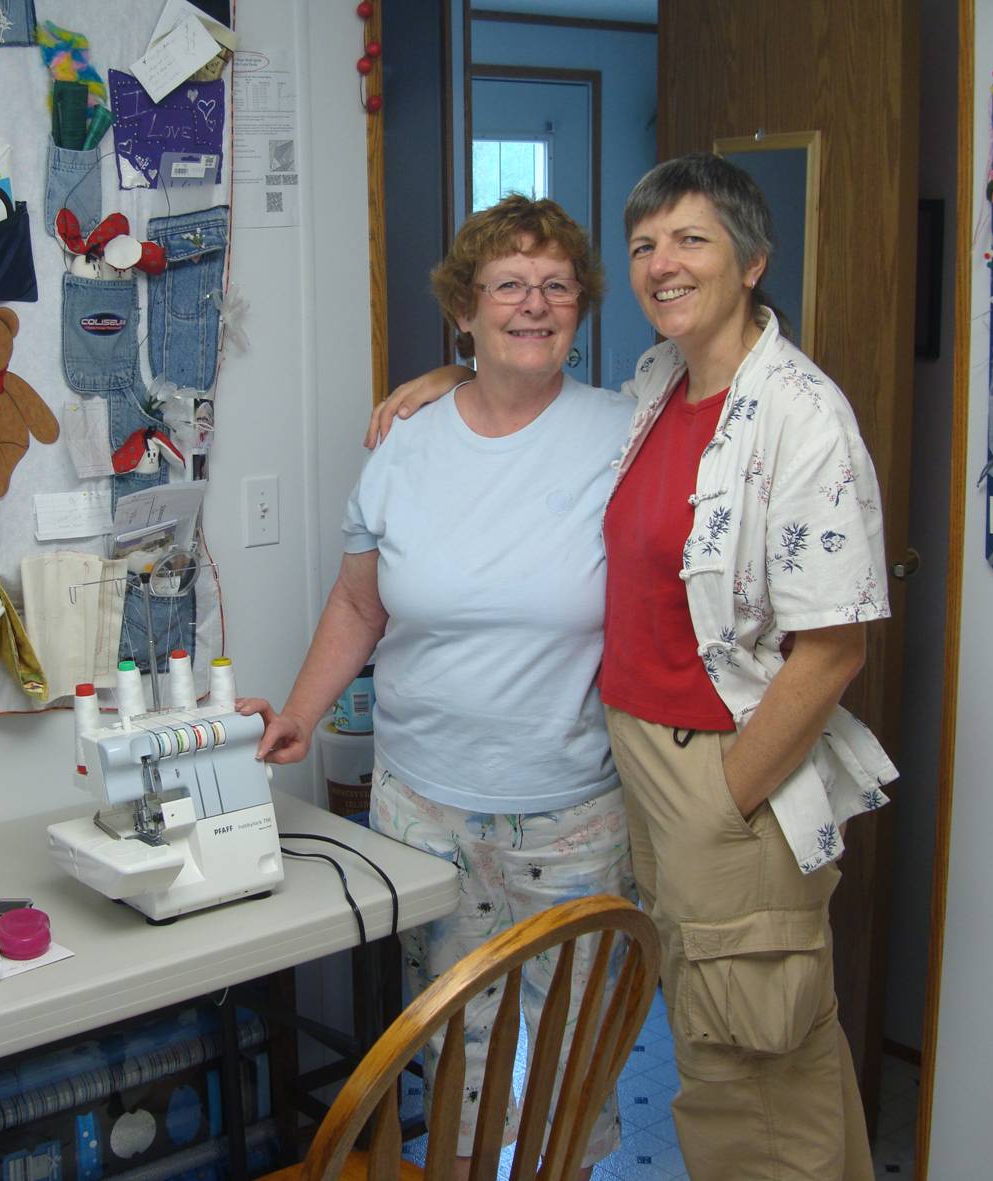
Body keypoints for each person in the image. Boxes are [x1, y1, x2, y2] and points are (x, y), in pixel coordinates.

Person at [371, 154, 897, 1181]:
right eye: (645, 244)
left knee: (753, 1063)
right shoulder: (662, 390)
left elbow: (835, 644)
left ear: (751, 261)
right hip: (641, 764)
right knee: (727, 1049)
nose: (662, 264)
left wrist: (722, 800)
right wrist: (453, 377)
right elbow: (534, 410)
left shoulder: (797, 414)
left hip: (725, 770)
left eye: (689, 239)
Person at [241, 195, 635, 1177]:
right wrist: (299, 711)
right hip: (420, 808)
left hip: (572, 810)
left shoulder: (626, 432)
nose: (532, 304)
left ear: (581, 307)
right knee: (450, 1050)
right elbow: (356, 605)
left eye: (555, 286)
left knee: (566, 1064)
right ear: (464, 307)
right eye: (507, 284)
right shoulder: (403, 445)